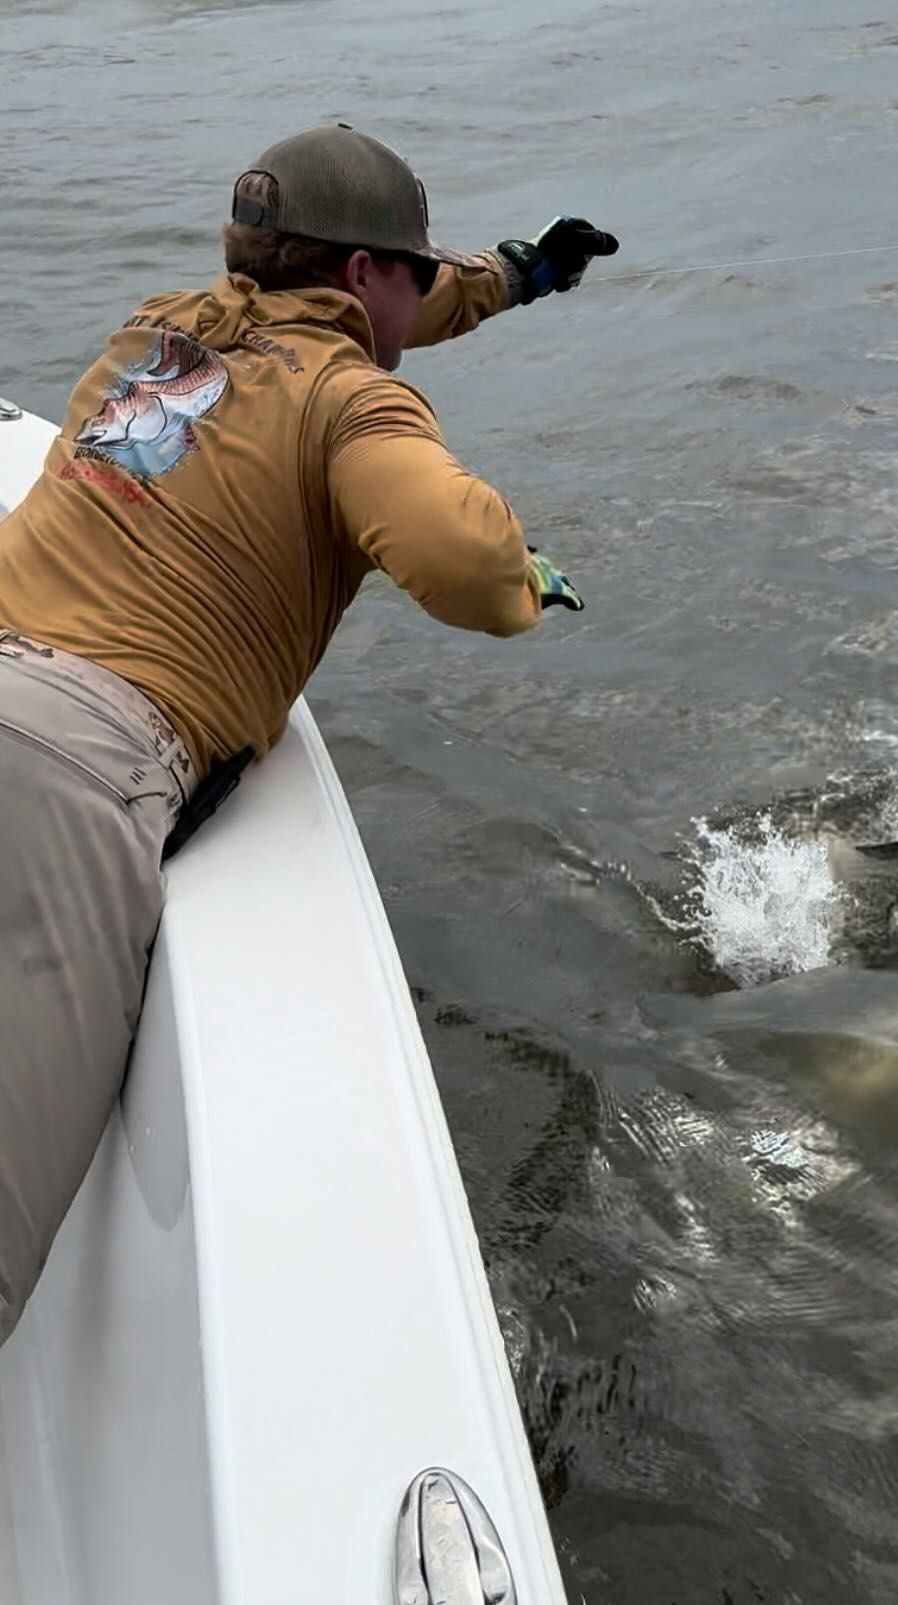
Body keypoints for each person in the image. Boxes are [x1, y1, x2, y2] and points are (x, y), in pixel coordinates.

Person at [0, 122, 618, 1346]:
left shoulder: (161, 329)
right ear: (359, 277)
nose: (429, 291)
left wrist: (514, 277)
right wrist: (520, 568)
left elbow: (352, 313)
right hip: (67, 776)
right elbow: (459, 565)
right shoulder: (355, 406)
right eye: (418, 268)